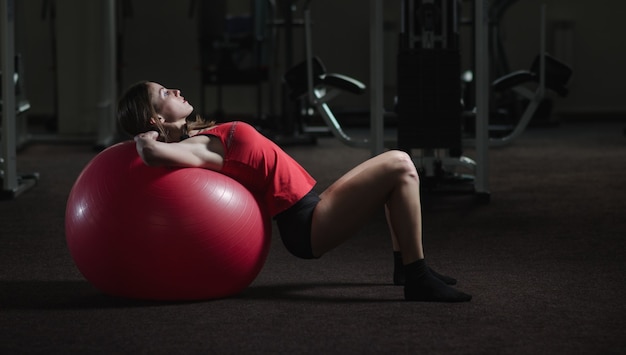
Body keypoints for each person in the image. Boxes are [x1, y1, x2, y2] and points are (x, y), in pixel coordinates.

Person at [117, 81, 472, 302]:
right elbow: (150, 154)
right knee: (400, 164)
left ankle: (405, 266)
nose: (176, 90)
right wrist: (144, 139)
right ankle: (417, 277)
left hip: (311, 208)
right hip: (305, 223)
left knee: (396, 169)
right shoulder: (196, 149)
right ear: (156, 119)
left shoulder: (198, 138)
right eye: (164, 93)